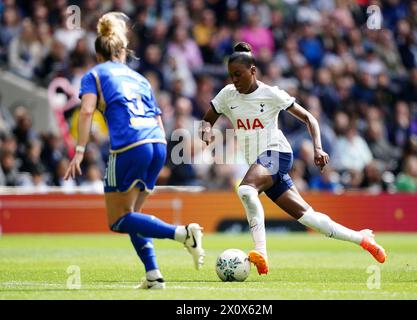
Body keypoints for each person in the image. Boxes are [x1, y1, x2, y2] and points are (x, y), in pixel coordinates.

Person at [200, 42, 386, 275]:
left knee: (246, 190)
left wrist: (317, 148)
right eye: (231, 75)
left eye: (238, 74)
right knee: (310, 218)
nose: (234, 80)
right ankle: (363, 239)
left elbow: (310, 118)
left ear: (253, 70)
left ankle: (261, 253)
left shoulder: (271, 94)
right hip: (261, 165)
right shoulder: (227, 95)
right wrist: (205, 130)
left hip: (277, 154)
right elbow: (208, 119)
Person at [64, 12, 205, 289]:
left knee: (117, 220)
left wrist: (79, 150)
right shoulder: (139, 78)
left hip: (130, 145)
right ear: (122, 51)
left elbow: (87, 111)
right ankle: (153, 274)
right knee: (132, 217)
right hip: (157, 143)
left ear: (98, 53)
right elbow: (158, 118)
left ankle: (183, 234)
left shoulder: (94, 74)